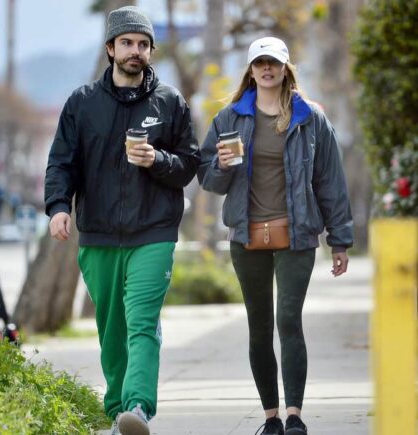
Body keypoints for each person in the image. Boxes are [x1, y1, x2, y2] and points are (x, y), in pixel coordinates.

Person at [44, 6, 200, 435]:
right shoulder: (82, 103)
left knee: (142, 322)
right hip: (98, 236)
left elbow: (190, 164)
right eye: (127, 43)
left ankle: (138, 408)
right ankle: (118, 412)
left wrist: (157, 160)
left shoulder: (170, 102)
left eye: (143, 44)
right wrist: (58, 206)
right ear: (111, 48)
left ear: (151, 51)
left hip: (154, 232)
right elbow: (62, 162)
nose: (136, 51)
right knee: (112, 332)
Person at [198, 36, 353, 435]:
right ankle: (271, 418)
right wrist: (224, 164)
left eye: (274, 63)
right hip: (245, 235)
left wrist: (340, 239)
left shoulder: (310, 119)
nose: (267, 69)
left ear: (286, 69)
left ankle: (296, 414)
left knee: (288, 319)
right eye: (260, 63)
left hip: (299, 234)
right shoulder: (229, 119)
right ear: (250, 71)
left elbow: (331, 182)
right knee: (259, 325)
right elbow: (208, 179)